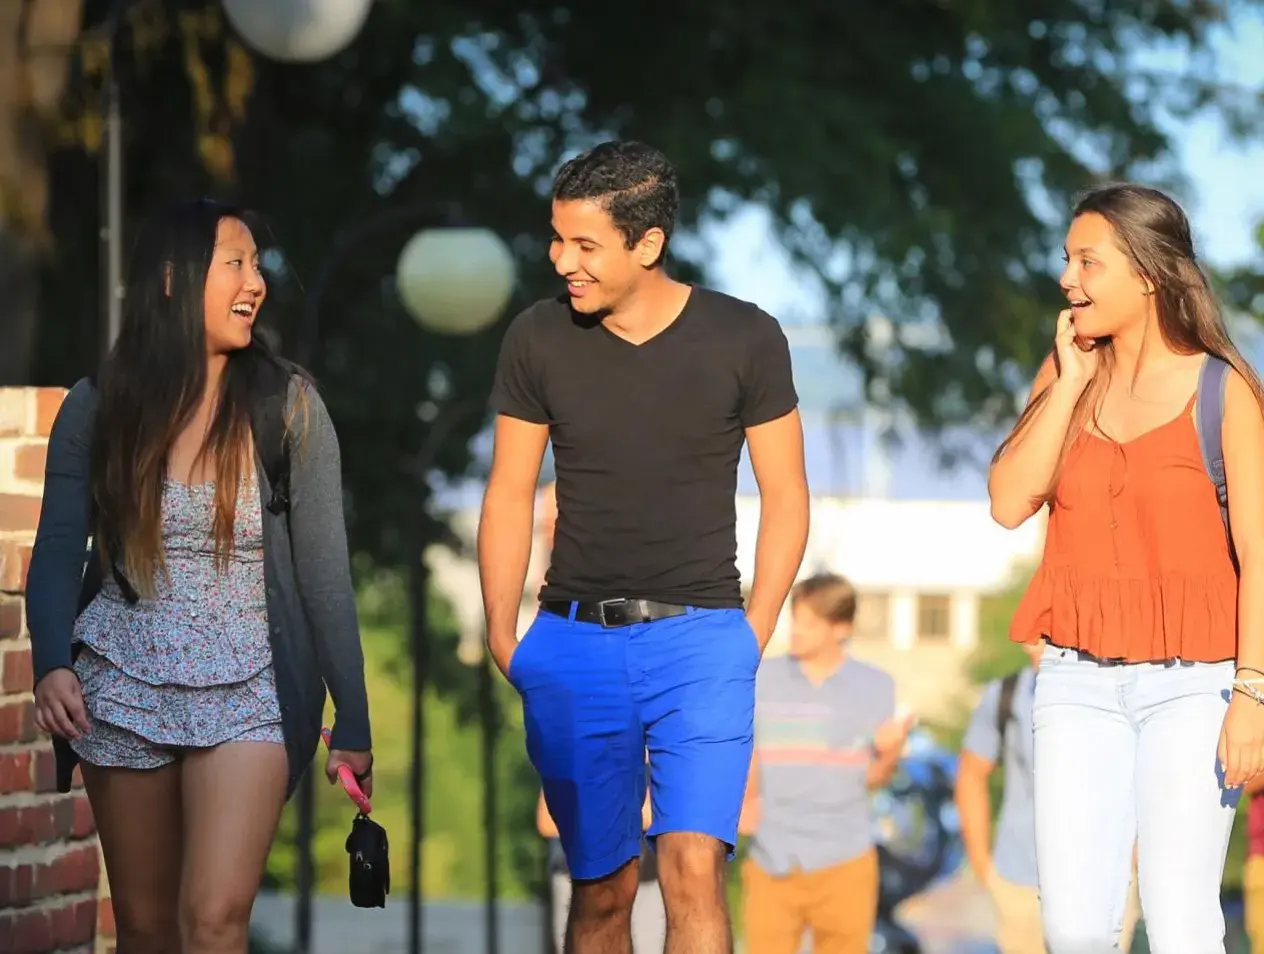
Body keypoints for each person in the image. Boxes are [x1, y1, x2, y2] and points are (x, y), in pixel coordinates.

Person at [477, 140, 810, 954]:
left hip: (703, 643)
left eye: (584, 245)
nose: (563, 262)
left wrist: (751, 632)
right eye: (557, 240)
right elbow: (510, 490)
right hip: (571, 644)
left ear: (648, 244)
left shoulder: (746, 337)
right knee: (601, 891)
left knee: (694, 868)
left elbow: (788, 496)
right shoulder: (536, 338)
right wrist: (501, 630)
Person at [25, 199, 373, 954]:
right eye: (236, 264)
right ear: (176, 280)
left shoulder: (290, 408)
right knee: (147, 930)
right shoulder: (99, 405)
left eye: (258, 265)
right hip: (121, 683)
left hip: (250, 690)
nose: (258, 283)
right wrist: (53, 662)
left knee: (214, 921)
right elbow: (57, 548)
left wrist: (354, 718)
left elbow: (323, 575)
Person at [989, 182, 1264, 953]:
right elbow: (1010, 502)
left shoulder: (1224, 390)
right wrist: (1069, 383)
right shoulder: (1067, 379)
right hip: (1075, 682)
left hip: (1196, 684)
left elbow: (1260, 554)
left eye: (1088, 261)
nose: (1067, 279)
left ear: (1146, 272)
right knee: (1075, 928)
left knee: (1180, 924)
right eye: (1067, 259)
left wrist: (1252, 694)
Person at [738, 573, 911, 954]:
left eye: (810, 624)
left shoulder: (877, 686)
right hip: (773, 857)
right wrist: (746, 803)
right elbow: (747, 754)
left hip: (846, 861)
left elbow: (874, 779)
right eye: (795, 619)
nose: (796, 631)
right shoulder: (761, 679)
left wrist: (891, 751)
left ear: (842, 627)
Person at [955, 645, 1141, 954]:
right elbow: (971, 774)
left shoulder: (1117, 688)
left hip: (1103, 884)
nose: (1035, 645)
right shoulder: (1007, 694)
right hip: (1021, 881)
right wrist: (983, 866)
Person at [538, 763, 667, 954]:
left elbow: (663, 814)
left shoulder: (661, 754)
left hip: (645, 881)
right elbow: (545, 821)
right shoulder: (573, 752)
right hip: (578, 879)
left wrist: (596, 811)